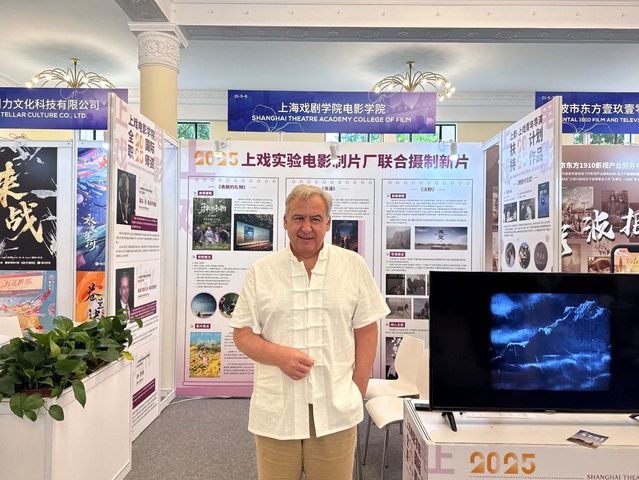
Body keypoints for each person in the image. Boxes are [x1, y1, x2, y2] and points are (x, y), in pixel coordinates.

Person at [230, 184, 389, 480]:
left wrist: (357, 388)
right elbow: (242, 334)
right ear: (285, 222)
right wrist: (278, 356)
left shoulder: (352, 266)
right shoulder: (262, 271)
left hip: (335, 408)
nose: (306, 227)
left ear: (328, 223)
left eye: (315, 219)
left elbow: (367, 329)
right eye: (298, 218)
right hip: (278, 412)